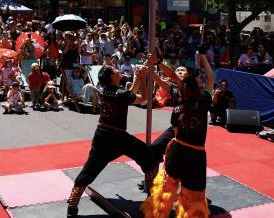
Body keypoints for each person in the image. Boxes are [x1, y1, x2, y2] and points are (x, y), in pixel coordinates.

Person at [66, 64, 157, 218]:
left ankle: (72, 206)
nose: (118, 70)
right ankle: (153, 196)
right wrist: (142, 78)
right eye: (115, 70)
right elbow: (143, 98)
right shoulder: (120, 93)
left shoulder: (105, 91)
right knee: (149, 157)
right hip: (117, 137)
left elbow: (128, 95)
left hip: (103, 135)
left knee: (89, 170)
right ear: (111, 77)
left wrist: (138, 79)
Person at [141, 46, 215, 218]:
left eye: (183, 72)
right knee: (192, 196)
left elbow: (176, 132)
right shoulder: (203, 100)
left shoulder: (177, 108)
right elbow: (210, 78)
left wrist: (155, 64)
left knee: (166, 186)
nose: (179, 74)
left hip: (179, 147)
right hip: (194, 153)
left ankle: (159, 212)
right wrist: (203, 56)